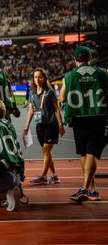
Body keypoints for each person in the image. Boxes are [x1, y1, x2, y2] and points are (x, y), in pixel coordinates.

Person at [59, 46, 108, 202]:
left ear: (75, 59)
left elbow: (62, 98)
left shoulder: (69, 76)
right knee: (91, 153)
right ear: (89, 58)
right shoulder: (102, 73)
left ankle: (86, 188)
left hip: (79, 117)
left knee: (83, 153)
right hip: (98, 116)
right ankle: (90, 189)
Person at [23, 68, 65, 185]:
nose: (37, 79)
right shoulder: (32, 93)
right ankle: (55, 176)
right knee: (46, 152)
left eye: (40, 77)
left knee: (46, 150)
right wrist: (27, 126)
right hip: (39, 125)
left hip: (51, 125)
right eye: (35, 77)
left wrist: (61, 125)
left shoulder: (50, 92)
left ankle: (43, 176)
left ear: (44, 78)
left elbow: (57, 109)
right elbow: (31, 111)